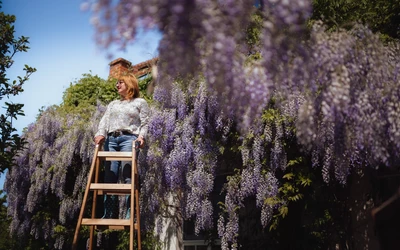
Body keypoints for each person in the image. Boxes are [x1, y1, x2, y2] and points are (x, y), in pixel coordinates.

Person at [94, 73, 149, 219]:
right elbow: (104, 121)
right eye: (117, 83)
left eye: (120, 83)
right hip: (111, 139)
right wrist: (100, 134)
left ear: (130, 84)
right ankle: (109, 213)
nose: (117, 85)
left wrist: (142, 137)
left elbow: (145, 123)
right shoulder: (113, 104)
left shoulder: (140, 102)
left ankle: (129, 213)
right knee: (110, 176)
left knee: (128, 175)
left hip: (129, 139)